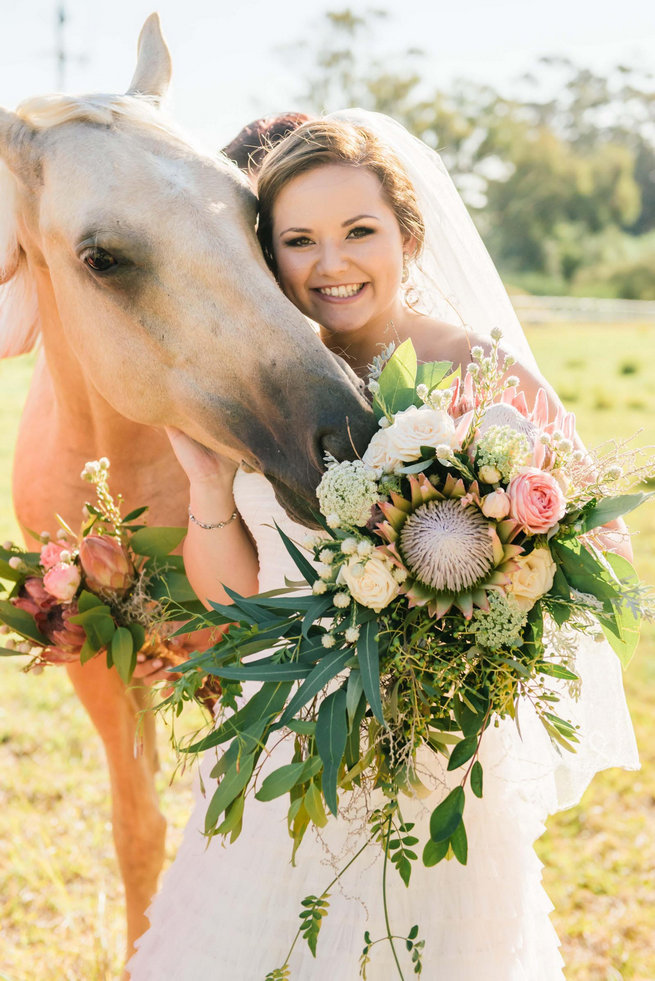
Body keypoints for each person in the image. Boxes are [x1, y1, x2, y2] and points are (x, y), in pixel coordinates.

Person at [127, 113, 638, 980]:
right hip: (283, 750)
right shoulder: (254, 390)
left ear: (406, 235)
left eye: (358, 231)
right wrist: (211, 489)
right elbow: (234, 607)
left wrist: (469, 618)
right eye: (299, 240)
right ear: (269, 255)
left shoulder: (487, 376)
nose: (331, 264)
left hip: (436, 752)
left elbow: (598, 553)